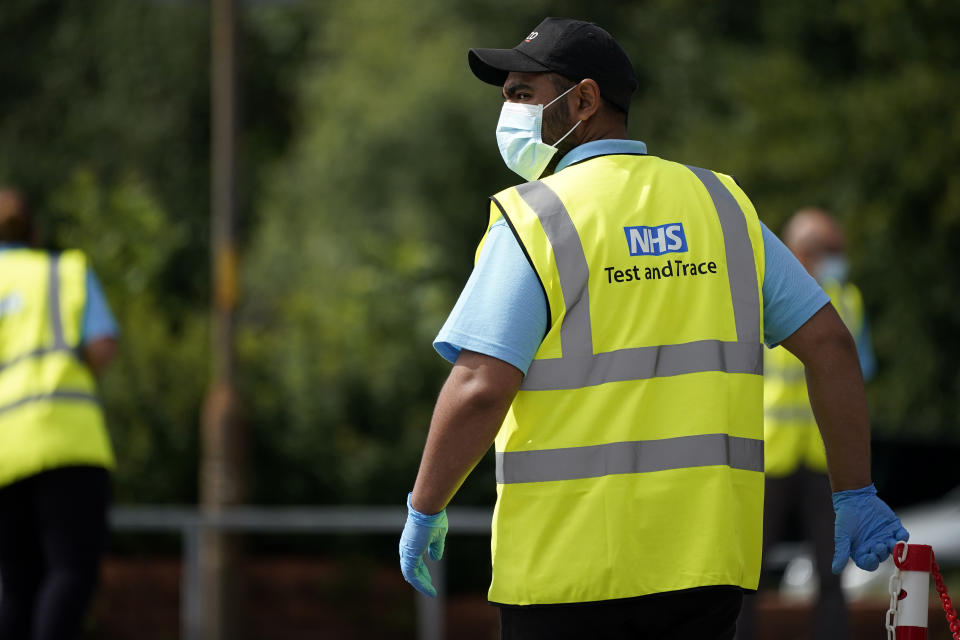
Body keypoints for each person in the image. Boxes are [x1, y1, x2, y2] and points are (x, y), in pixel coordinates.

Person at [398, 17, 907, 639]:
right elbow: (829, 342)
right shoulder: (722, 207)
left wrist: (425, 505)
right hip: (705, 574)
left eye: (522, 93)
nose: (508, 110)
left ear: (583, 100)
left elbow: (480, 387)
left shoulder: (534, 219)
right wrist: (854, 491)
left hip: (568, 575)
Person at [736, 208, 877, 640]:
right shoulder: (757, 291)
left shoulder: (848, 297)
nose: (838, 257)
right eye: (830, 250)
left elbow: (862, 369)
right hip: (769, 453)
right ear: (800, 251)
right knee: (746, 574)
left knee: (831, 572)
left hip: (822, 457)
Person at [0, 188, 119, 639]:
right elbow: (102, 346)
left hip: (4, 452)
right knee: (69, 573)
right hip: (67, 440)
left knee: (15, 585)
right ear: (35, 231)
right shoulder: (65, 272)